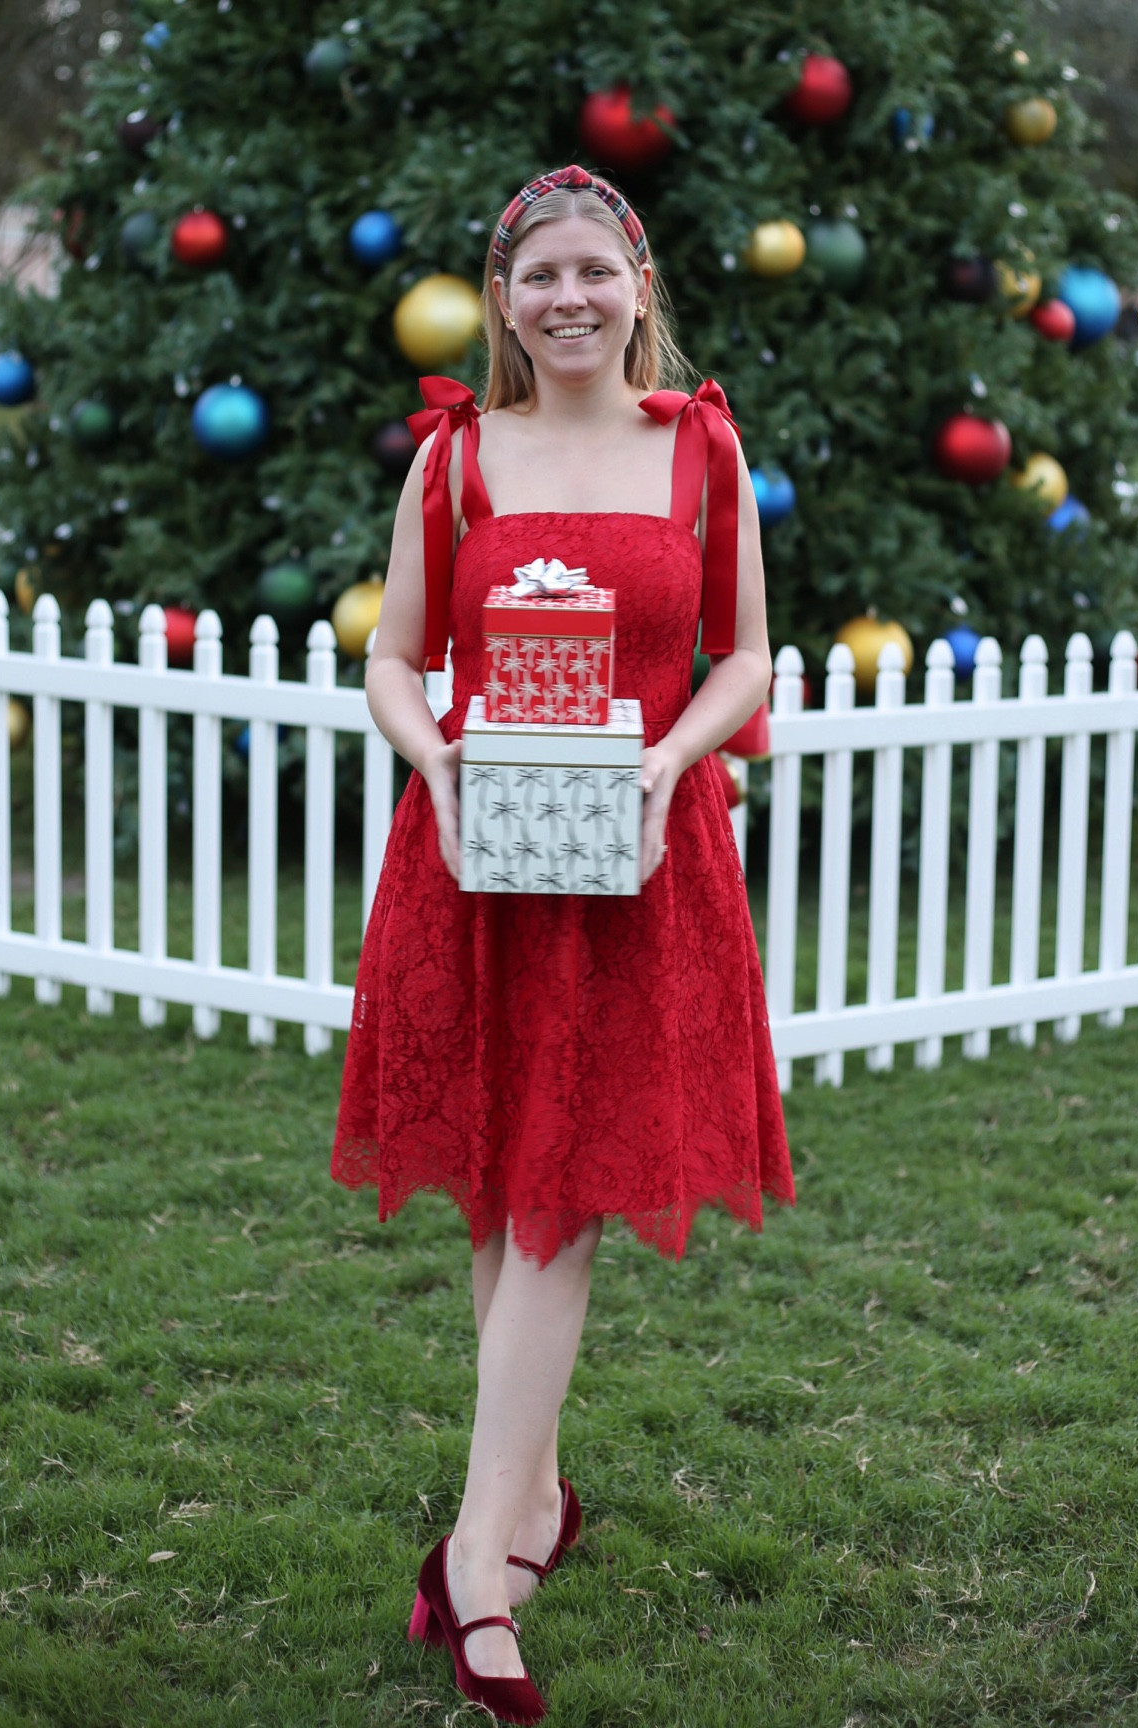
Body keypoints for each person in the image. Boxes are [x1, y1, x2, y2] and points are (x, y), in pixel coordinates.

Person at [332, 163, 795, 1724]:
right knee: (499, 1180)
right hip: (476, 858)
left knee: (563, 1199)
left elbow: (748, 659)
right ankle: (528, 1511)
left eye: (599, 271)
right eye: (542, 278)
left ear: (641, 286)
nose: (571, 298)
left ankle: (475, 1561)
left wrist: (673, 758)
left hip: (643, 867)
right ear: (506, 297)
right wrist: (437, 757)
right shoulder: (457, 458)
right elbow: (398, 659)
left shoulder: (702, 452)